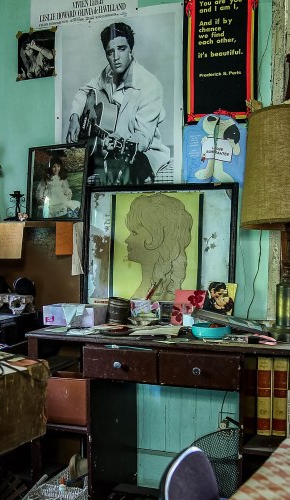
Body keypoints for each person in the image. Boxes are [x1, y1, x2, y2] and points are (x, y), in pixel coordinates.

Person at [65, 22, 170, 185]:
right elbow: (85, 90)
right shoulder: (108, 72)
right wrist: (74, 117)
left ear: (131, 49)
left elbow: (143, 139)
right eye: (110, 52)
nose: (115, 57)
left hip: (139, 153)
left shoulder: (150, 86)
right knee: (71, 173)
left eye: (121, 49)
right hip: (105, 148)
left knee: (122, 177)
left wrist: (118, 141)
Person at [124, 193, 193, 299]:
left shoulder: (169, 296)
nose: (127, 240)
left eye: (134, 233)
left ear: (157, 238)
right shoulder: (146, 289)